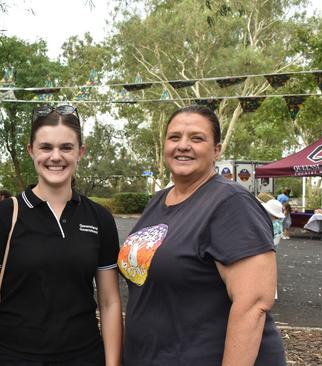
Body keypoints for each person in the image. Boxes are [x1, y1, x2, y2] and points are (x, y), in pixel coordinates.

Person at [118, 105, 286, 365]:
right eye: (174, 137)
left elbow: (253, 306)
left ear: (216, 150)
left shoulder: (231, 203)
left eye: (196, 138)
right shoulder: (159, 200)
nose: (183, 145)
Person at [0, 104, 122, 365]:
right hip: (14, 357)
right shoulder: (3, 216)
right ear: (31, 150)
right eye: (46, 147)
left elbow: (110, 302)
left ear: (80, 152)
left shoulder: (99, 218)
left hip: (85, 356)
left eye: (66, 147)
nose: (56, 156)